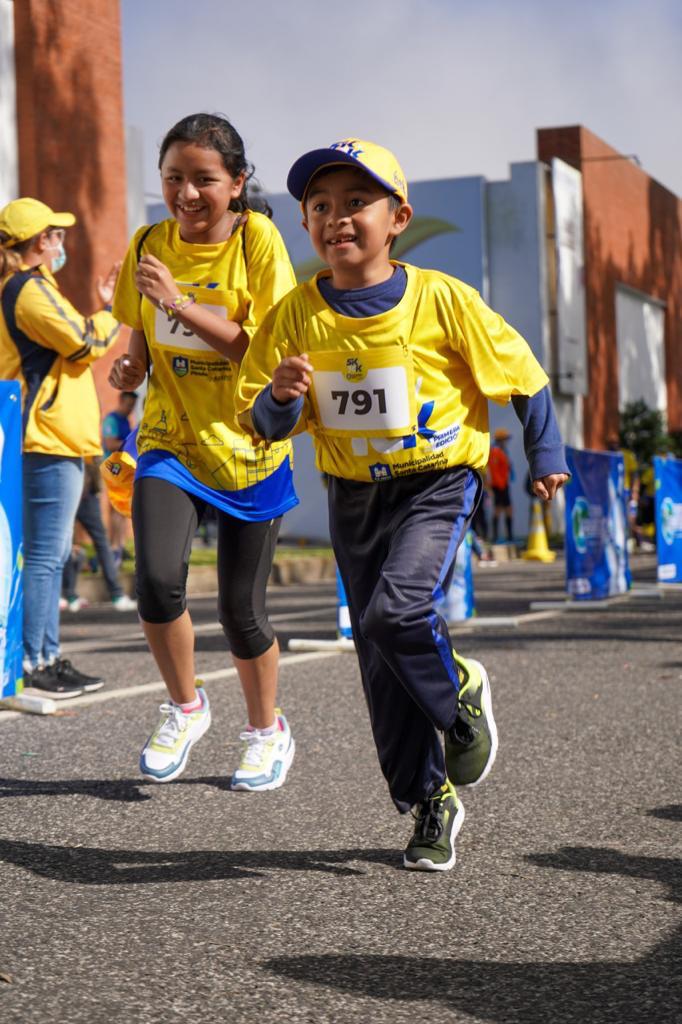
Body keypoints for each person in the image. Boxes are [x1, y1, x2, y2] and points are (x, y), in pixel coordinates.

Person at [236, 138, 569, 870]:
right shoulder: (295, 314)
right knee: (378, 660)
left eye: (358, 203)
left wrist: (546, 454)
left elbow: (526, 376)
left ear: (399, 219)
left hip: (437, 482)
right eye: (321, 206)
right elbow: (261, 422)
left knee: (397, 612)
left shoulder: (442, 299)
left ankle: (457, 694)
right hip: (354, 495)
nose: (337, 218)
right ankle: (429, 801)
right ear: (306, 224)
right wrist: (280, 398)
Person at [108, 113, 298, 789]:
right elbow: (138, 343)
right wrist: (129, 374)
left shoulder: (259, 243)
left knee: (241, 614)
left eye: (204, 180)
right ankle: (186, 706)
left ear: (237, 184)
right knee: (156, 582)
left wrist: (181, 302)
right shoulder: (149, 242)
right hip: (171, 440)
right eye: (173, 178)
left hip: (249, 447)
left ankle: (265, 730)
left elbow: (264, 351)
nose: (186, 194)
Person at [0, 198, 121, 698]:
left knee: (48, 555)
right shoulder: (27, 291)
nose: (61, 241)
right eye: (55, 234)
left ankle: (46, 654)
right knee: (47, 556)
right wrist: (110, 313)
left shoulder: (37, 287)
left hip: (57, 436)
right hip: (45, 437)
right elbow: (82, 342)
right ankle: (36, 659)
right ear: (37, 243)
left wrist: (101, 315)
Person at [61, 459, 137, 611]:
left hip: (79, 487)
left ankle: (115, 593)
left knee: (69, 540)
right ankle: (70, 595)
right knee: (66, 541)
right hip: (78, 486)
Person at [102, 390, 137, 564]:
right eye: (128, 404)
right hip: (112, 469)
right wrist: (130, 444)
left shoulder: (125, 421)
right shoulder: (112, 419)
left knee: (123, 510)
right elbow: (109, 443)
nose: (131, 408)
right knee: (115, 510)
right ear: (121, 400)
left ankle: (120, 547)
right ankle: (113, 547)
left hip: (124, 471)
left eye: (133, 406)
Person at [488, 427, 514, 542]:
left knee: (508, 510)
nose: (506, 441)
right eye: (505, 439)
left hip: (504, 484)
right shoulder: (495, 452)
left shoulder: (503, 451)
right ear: (500, 440)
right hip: (499, 486)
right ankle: (495, 537)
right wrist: (501, 485)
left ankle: (509, 536)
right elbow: (494, 470)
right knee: (498, 509)